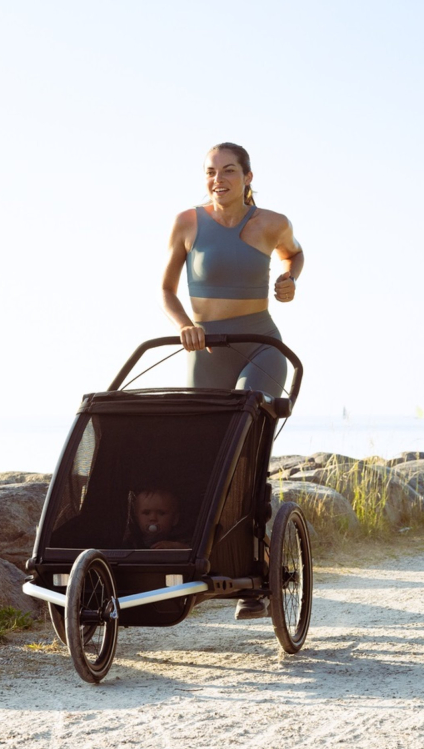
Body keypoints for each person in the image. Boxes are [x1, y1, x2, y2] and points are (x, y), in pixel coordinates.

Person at [160, 142, 304, 618]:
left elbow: (294, 256)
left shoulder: (271, 223)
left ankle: (258, 578)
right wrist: (184, 323)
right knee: (205, 457)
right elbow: (165, 288)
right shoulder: (187, 222)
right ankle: (199, 562)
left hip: (260, 343)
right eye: (210, 172)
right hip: (207, 349)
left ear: (247, 176)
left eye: (227, 171)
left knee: (247, 433)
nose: (217, 179)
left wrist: (288, 280)